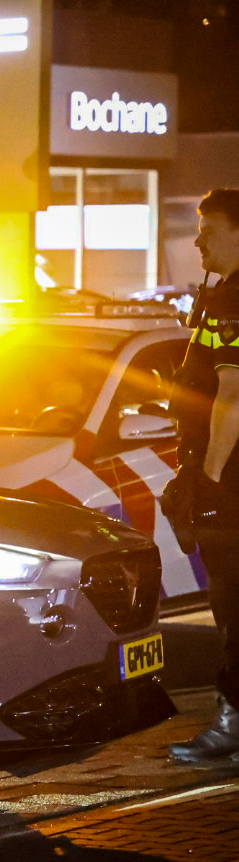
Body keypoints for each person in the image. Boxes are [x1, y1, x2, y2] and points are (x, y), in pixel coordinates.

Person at [166, 188, 239, 763]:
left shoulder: (235, 297)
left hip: (230, 485)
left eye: (209, 231)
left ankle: (232, 724)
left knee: (232, 607)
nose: (198, 242)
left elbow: (231, 400)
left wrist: (208, 483)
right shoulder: (220, 293)